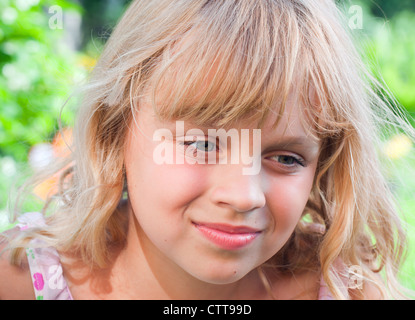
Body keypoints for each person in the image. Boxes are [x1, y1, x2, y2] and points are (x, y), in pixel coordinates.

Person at [0, 0, 414, 300]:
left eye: (286, 158)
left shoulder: (347, 290)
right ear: (114, 132)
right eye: (201, 145)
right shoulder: (19, 279)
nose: (244, 195)